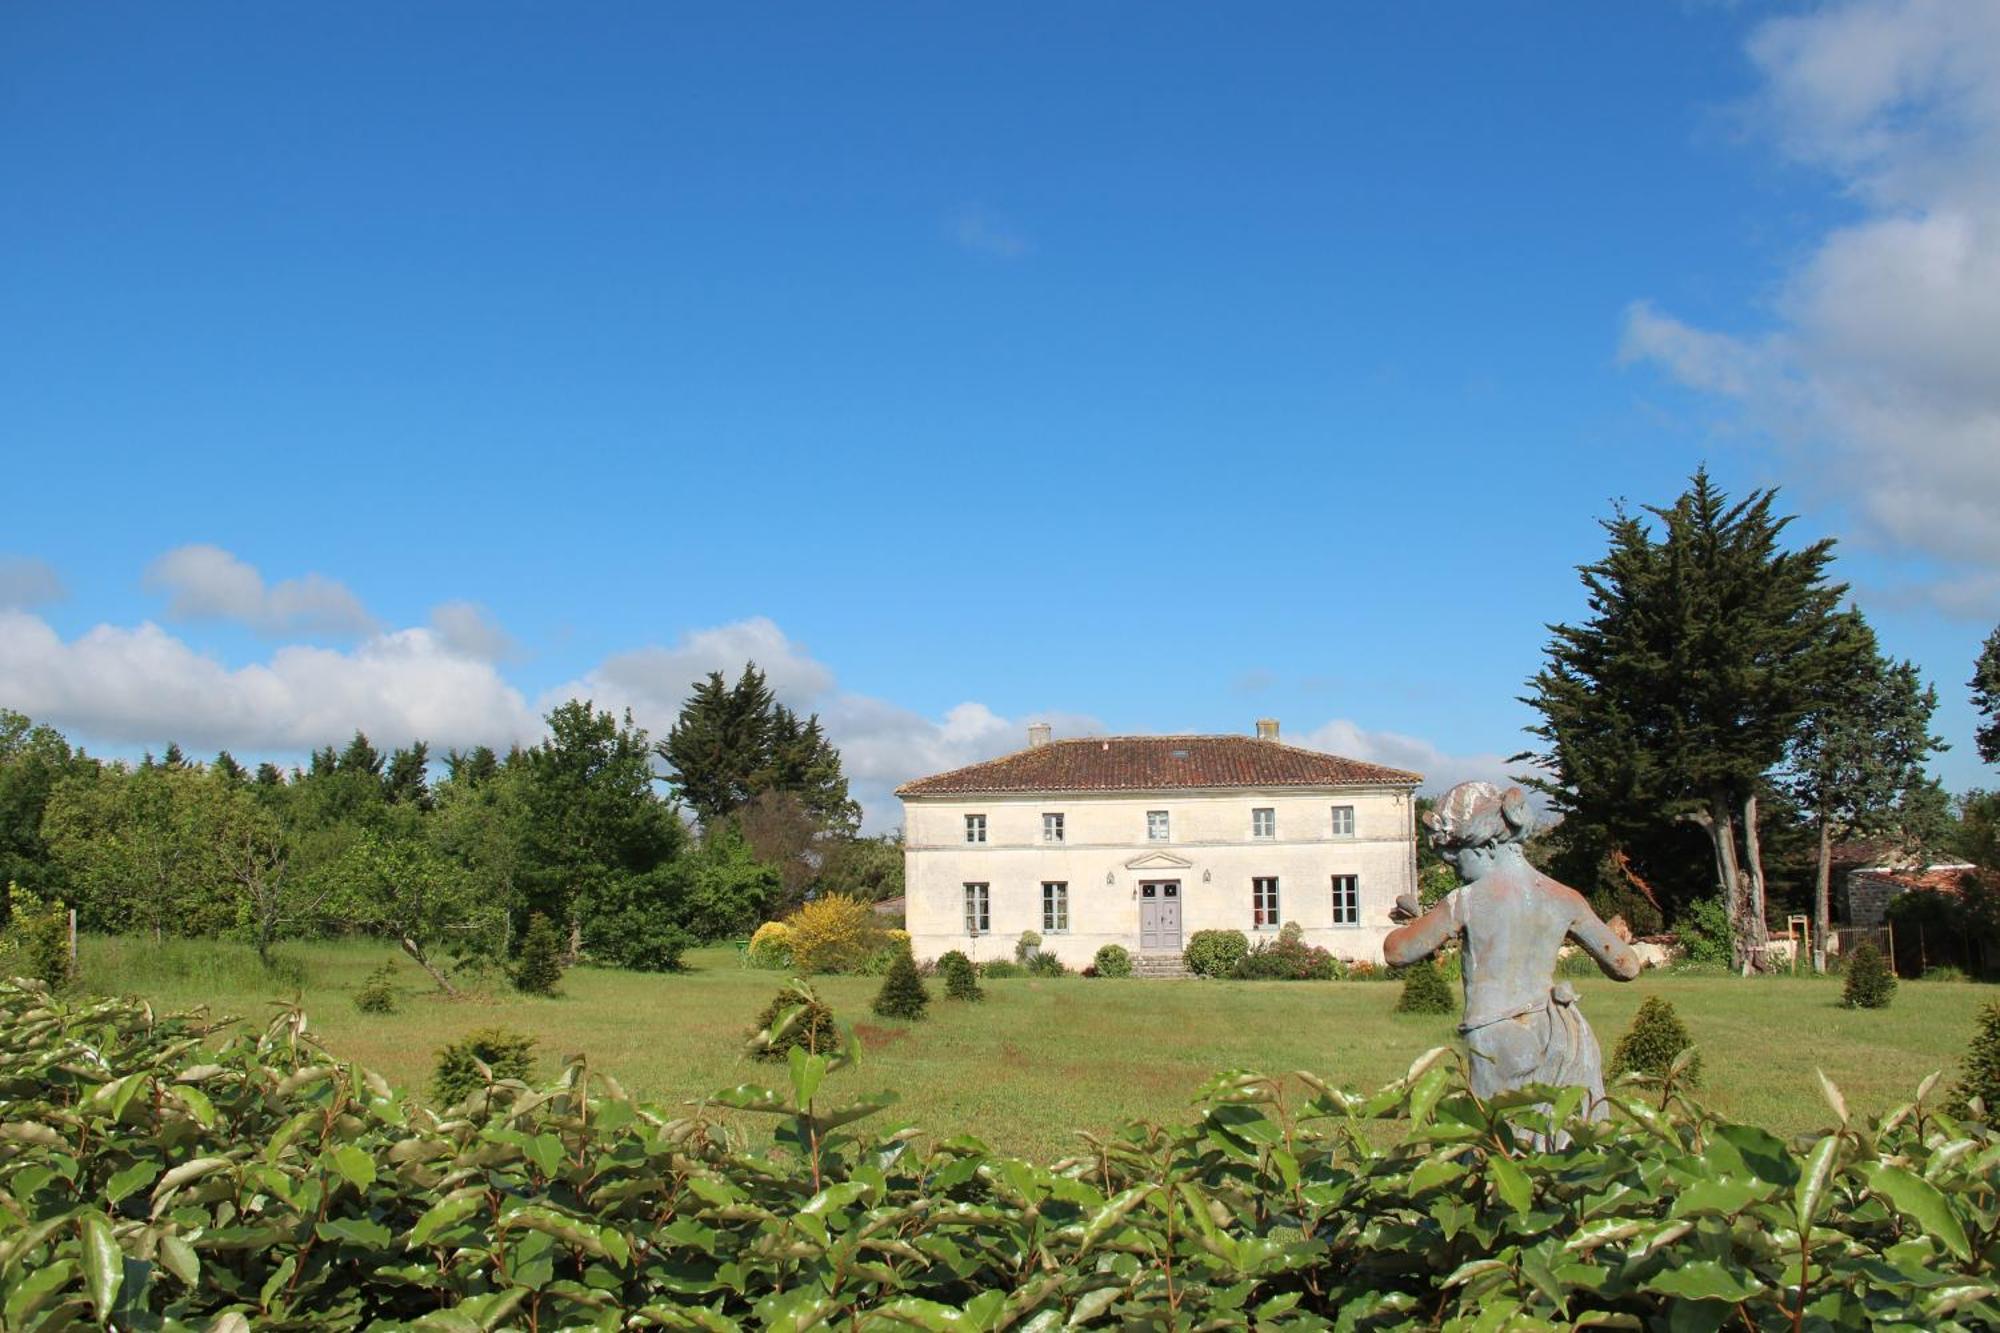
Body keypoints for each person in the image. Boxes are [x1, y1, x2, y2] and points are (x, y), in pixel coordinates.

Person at [1384, 781, 1639, 1113]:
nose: (1456, 871)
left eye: (1456, 859)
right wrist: (1614, 933)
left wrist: (1409, 924)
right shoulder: (1565, 898)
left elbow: (1397, 952)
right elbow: (1627, 966)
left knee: (1499, 1141)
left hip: (1496, 1036)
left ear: (1486, 846)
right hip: (1563, 1034)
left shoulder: (1468, 900)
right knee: (1562, 1142)